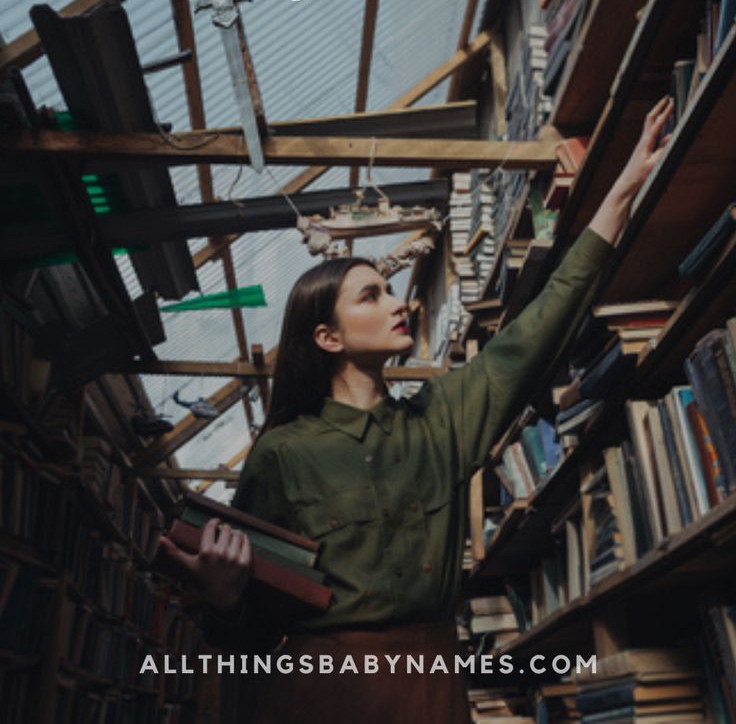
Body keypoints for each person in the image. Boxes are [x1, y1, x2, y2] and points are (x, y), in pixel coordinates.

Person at [161, 98, 673, 724]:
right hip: (318, 696)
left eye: (390, 289)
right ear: (328, 338)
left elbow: (538, 329)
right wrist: (222, 595)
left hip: (431, 687)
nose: (396, 302)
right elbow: (251, 639)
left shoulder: (442, 421)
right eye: (371, 296)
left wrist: (621, 190)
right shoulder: (282, 454)